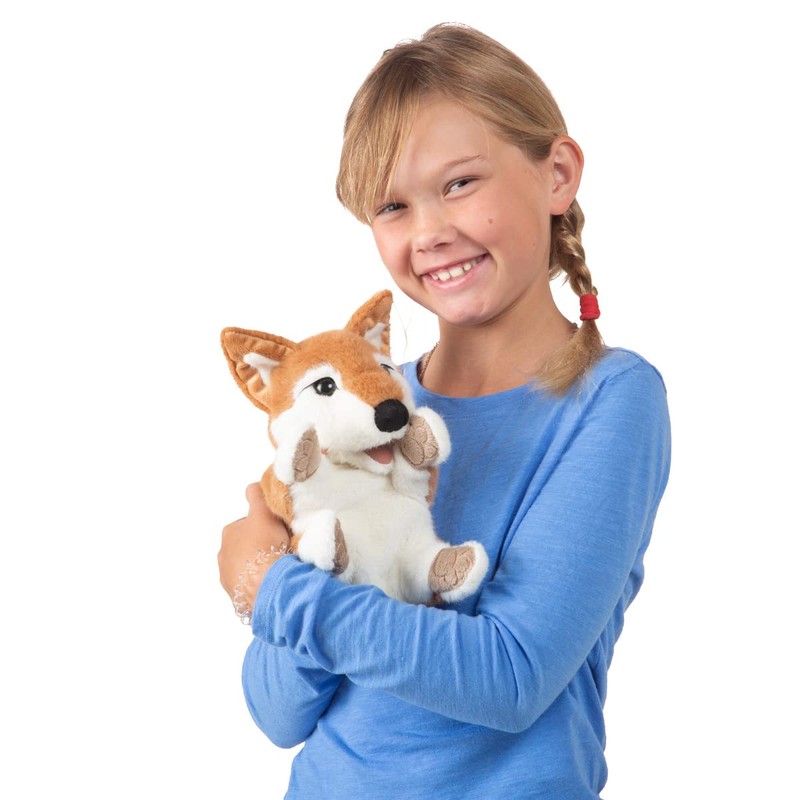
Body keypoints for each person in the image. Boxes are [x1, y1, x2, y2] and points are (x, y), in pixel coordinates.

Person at [218, 22, 671, 799]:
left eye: (460, 183)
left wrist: (271, 588)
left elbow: (511, 675)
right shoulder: (360, 412)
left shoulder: (612, 400)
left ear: (557, 174)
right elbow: (279, 712)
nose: (428, 232)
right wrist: (302, 576)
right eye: (393, 205)